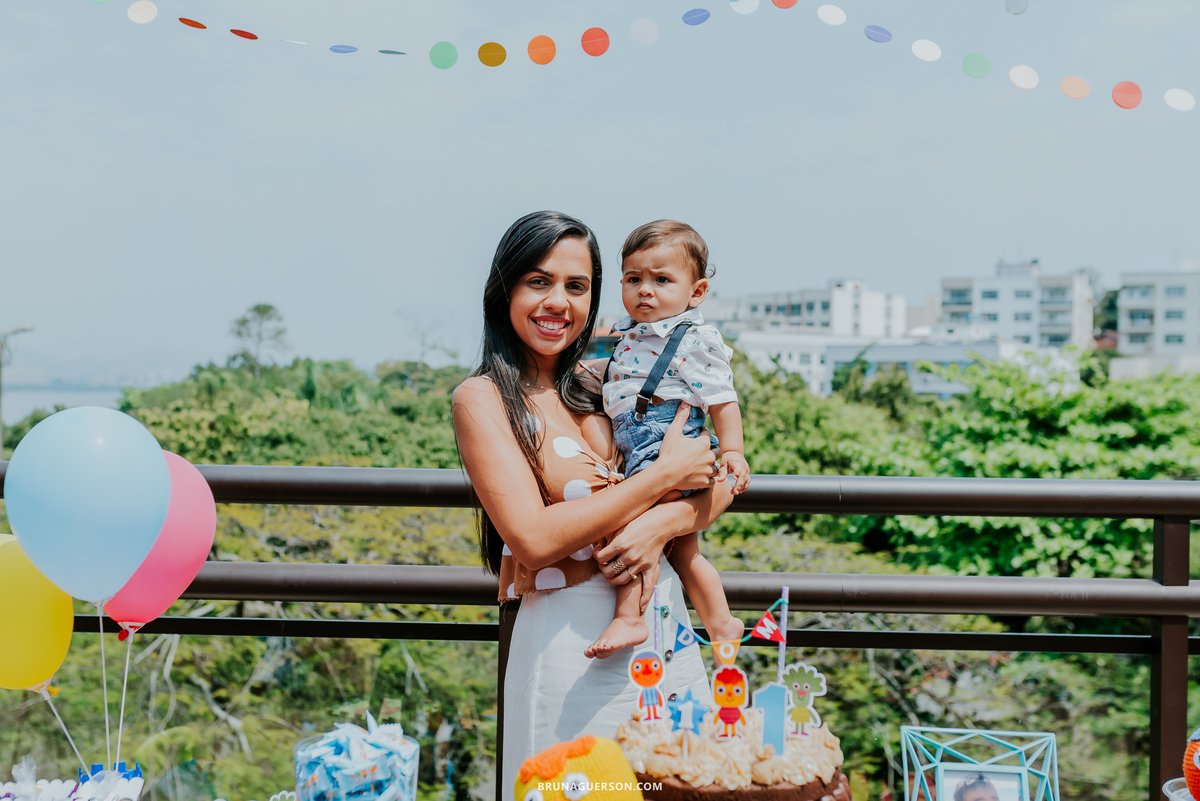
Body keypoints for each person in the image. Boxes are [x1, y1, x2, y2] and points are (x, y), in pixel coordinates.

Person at [452, 211, 735, 801]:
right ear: (504, 288)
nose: (558, 302)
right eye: (538, 281)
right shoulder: (483, 399)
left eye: (576, 287)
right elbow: (531, 537)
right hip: (570, 644)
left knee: (683, 785)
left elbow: (717, 477)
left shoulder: (610, 379)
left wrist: (662, 521)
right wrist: (659, 480)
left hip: (664, 625)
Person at [584, 220, 748, 658]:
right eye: (634, 279)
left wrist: (732, 450)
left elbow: (721, 399)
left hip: (664, 440)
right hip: (637, 441)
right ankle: (721, 622)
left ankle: (629, 618)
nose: (645, 291)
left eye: (661, 280)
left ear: (695, 293)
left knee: (635, 528)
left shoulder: (693, 339)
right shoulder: (629, 332)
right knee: (684, 549)